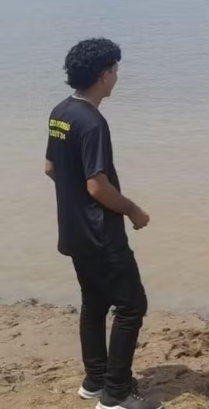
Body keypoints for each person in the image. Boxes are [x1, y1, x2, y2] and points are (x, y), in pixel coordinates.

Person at [44, 39, 161, 409]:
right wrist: (133, 211)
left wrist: (76, 201)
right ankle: (116, 394)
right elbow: (97, 186)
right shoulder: (93, 122)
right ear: (103, 75)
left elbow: (50, 168)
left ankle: (95, 380)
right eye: (115, 69)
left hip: (74, 231)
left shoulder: (61, 112)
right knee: (131, 306)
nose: (117, 76)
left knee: (94, 302)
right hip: (100, 234)